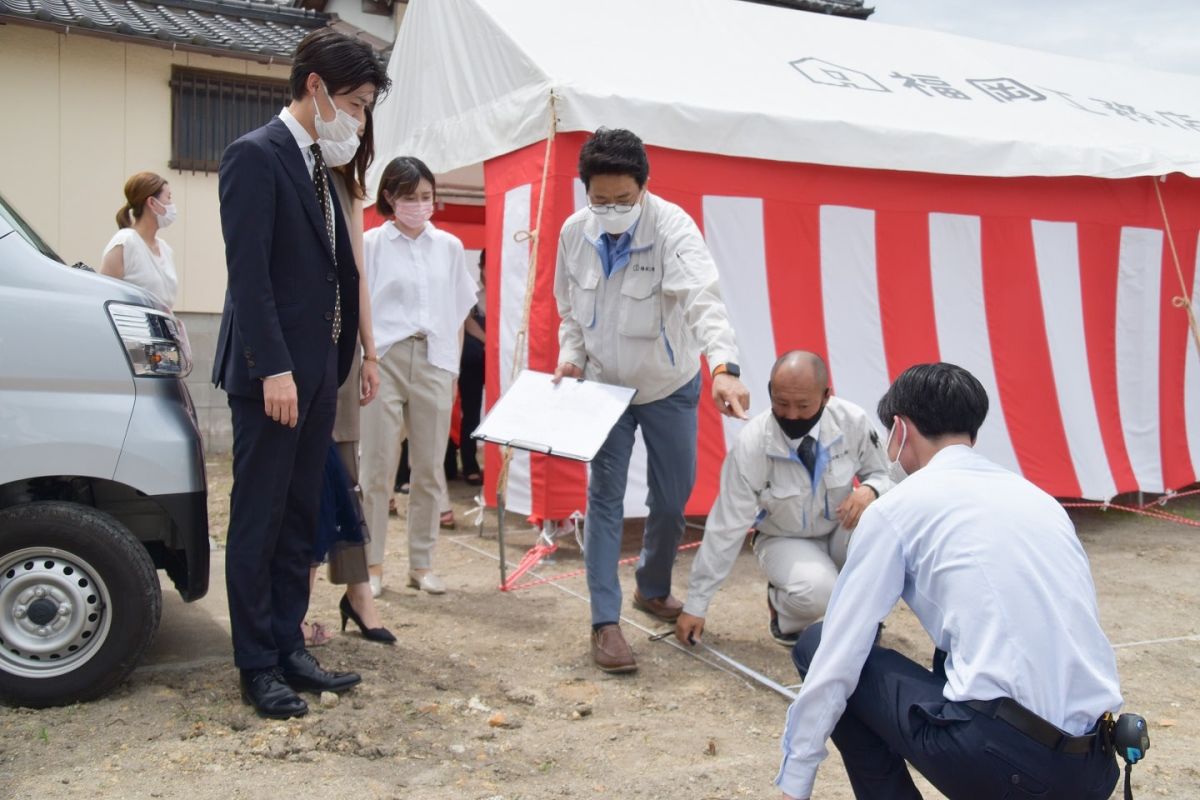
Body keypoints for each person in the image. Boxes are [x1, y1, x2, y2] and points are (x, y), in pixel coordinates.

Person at [773, 363, 1122, 800]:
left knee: (819, 642)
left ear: (899, 430)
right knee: (953, 661)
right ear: (971, 432)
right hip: (1094, 768)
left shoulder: (897, 509)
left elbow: (840, 652)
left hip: (1007, 765)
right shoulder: (1042, 502)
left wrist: (796, 777)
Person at [212, 28, 389, 719]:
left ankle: (288, 644)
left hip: (321, 373)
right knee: (258, 518)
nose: (359, 119)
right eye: (354, 102)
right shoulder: (255, 157)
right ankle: (255, 662)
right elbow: (249, 277)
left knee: (298, 517)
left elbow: (334, 272)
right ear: (314, 86)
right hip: (274, 377)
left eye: (367, 106)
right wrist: (274, 369)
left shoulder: (320, 164)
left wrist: (355, 360)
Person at [552, 127, 750, 674]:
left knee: (671, 498)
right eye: (600, 199)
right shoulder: (574, 232)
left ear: (643, 187)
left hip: (668, 384)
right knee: (604, 499)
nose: (611, 208)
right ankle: (604, 621)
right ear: (585, 190)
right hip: (604, 386)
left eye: (623, 198)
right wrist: (571, 356)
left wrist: (724, 369)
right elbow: (569, 311)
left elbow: (702, 301)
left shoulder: (672, 228)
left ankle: (653, 586)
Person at [675, 351, 891, 649]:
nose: (791, 415)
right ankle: (785, 611)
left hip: (841, 526)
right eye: (781, 403)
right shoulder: (752, 443)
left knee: (880, 528)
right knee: (819, 592)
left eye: (803, 405)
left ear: (826, 395)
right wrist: (696, 606)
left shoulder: (853, 421)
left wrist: (872, 489)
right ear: (770, 393)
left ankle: (863, 617)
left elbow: (889, 475)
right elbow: (726, 526)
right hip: (784, 538)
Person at [359, 156, 478, 596]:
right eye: (410, 198)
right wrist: (364, 360)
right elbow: (358, 307)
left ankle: (422, 564)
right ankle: (370, 566)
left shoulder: (447, 246)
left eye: (427, 197)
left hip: (434, 359)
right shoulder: (371, 243)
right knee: (377, 467)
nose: (420, 205)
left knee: (428, 467)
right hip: (383, 358)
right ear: (389, 198)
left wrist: (452, 367)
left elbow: (459, 309)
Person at [302, 106, 393, 644]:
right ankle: (295, 604)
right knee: (307, 480)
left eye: (364, 117)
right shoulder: (288, 164)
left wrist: (370, 352)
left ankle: (357, 593)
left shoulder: (349, 185)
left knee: (343, 473)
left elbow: (355, 273)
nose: (356, 126)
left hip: (340, 351)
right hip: (295, 350)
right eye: (352, 108)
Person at [100, 172, 179, 309]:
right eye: (168, 197)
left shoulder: (165, 249)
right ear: (152, 203)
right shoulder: (125, 242)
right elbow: (103, 295)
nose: (171, 205)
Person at [444, 248, 487, 486]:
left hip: (494, 357)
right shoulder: (473, 293)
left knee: (475, 411)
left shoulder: (506, 293)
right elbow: (465, 319)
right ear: (480, 266)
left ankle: (473, 462)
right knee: (460, 411)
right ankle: (456, 462)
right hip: (469, 357)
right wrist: (487, 340)